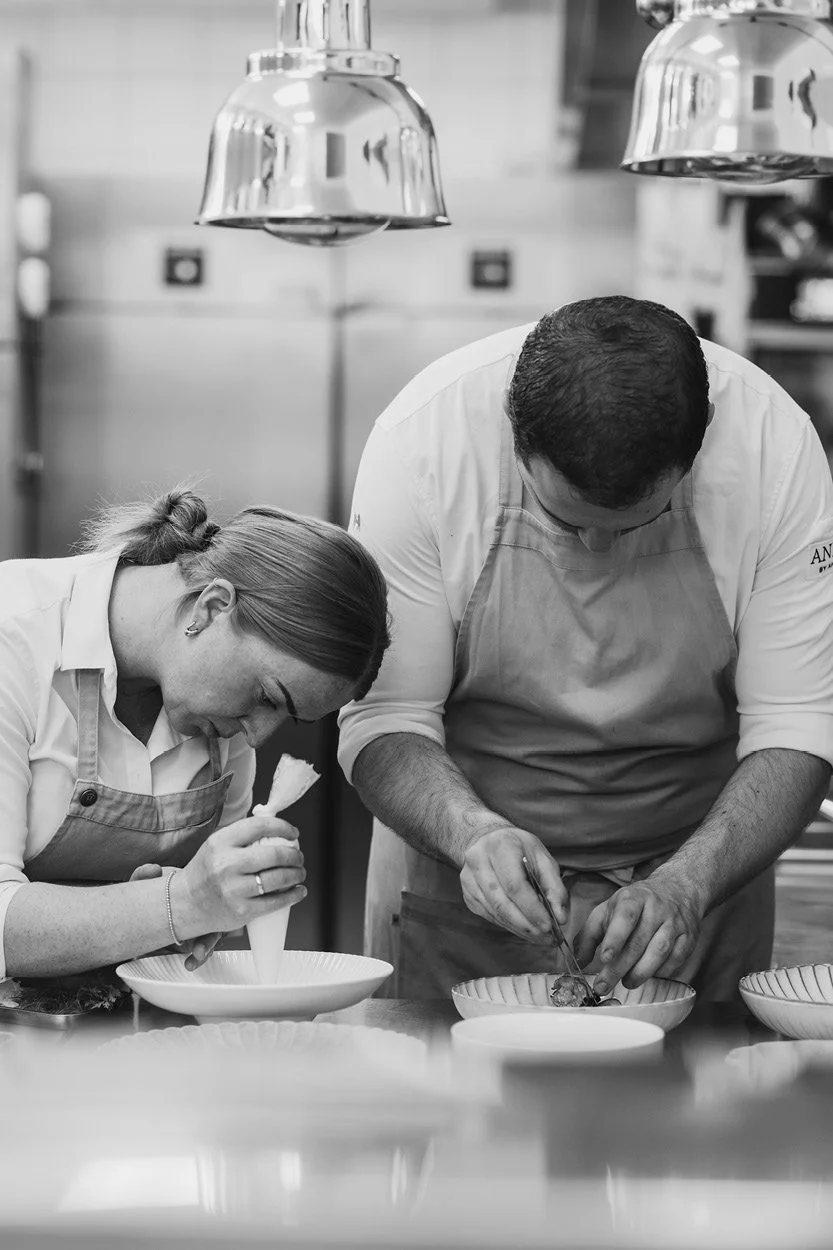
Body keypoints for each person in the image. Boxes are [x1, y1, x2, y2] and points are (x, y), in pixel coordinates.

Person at [338, 295, 833, 1001]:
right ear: (513, 434)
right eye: (562, 520)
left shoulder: (773, 451)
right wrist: (471, 835)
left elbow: (797, 724)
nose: (598, 553)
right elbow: (386, 715)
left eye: (638, 523)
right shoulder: (423, 445)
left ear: (698, 447)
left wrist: (687, 884)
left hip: (698, 893)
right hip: (460, 887)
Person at [0, 487, 389, 980]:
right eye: (268, 696)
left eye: (286, 717)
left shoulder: (219, 719)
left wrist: (213, 901)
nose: (256, 735)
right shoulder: (13, 636)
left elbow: (196, 916)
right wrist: (179, 902)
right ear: (212, 607)